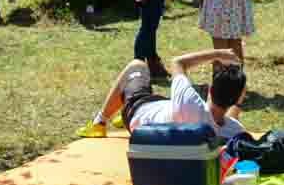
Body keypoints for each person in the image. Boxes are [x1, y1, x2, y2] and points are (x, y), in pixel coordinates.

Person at [88, 48, 247, 139]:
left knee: (137, 66)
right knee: (158, 96)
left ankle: (99, 122)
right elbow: (228, 121)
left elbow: (178, 62)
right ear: (235, 100)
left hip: (138, 111)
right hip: (161, 107)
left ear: (211, 90)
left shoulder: (189, 103)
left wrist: (218, 54)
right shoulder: (234, 132)